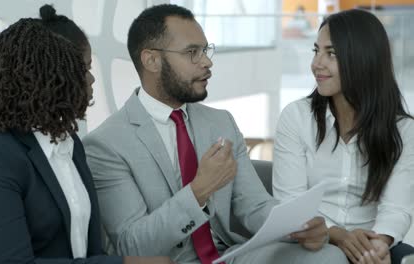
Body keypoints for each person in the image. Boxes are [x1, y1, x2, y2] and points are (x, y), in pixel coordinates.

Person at [83, 4, 347, 264]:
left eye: (205, 50)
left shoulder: (220, 122)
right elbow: (134, 245)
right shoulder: (106, 144)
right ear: (151, 60)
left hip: (228, 255)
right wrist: (199, 191)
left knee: (328, 256)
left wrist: (296, 227)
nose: (207, 62)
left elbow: (253, 206)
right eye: (192, 53)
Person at [0, 5, 171, 264]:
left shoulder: (70, 143)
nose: (92, 79)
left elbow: (89, 252)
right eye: (84, 68)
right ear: (51, 76)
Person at [272, 9, 414, 264]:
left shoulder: (403, 130)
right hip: (311, 242)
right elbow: (290, 207)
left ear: (363, 59)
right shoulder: (296, 118)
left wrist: (379, 246)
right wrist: (338, 235)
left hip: (369, 240)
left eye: (332, 53)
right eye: (316, 51)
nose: (317, 63)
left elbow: (396, 208)